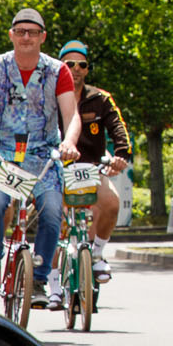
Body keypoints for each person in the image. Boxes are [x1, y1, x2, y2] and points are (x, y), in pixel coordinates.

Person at [0, 8, 83, 309]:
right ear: (11, 35)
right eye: (20, 31)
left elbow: (71, 116)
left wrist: (70, 142)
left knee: (51, 213)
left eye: (33, 32)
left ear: (43, 37)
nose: (26, 37)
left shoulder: (59, 71)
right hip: (2, 153)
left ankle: (41, 279)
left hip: (43, 155)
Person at [57, 40, 133, 284]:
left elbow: (118, 127)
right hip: (57, 169)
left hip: (90, 169)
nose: (76, 69)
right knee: (53, 216)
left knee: (111, 203)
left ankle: (98, 252)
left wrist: (121, 155)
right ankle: (50, 278)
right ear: (61, 67)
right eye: (70, 64)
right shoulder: (49, 98)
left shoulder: (101, 98)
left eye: (82, 64)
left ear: (87, 69)